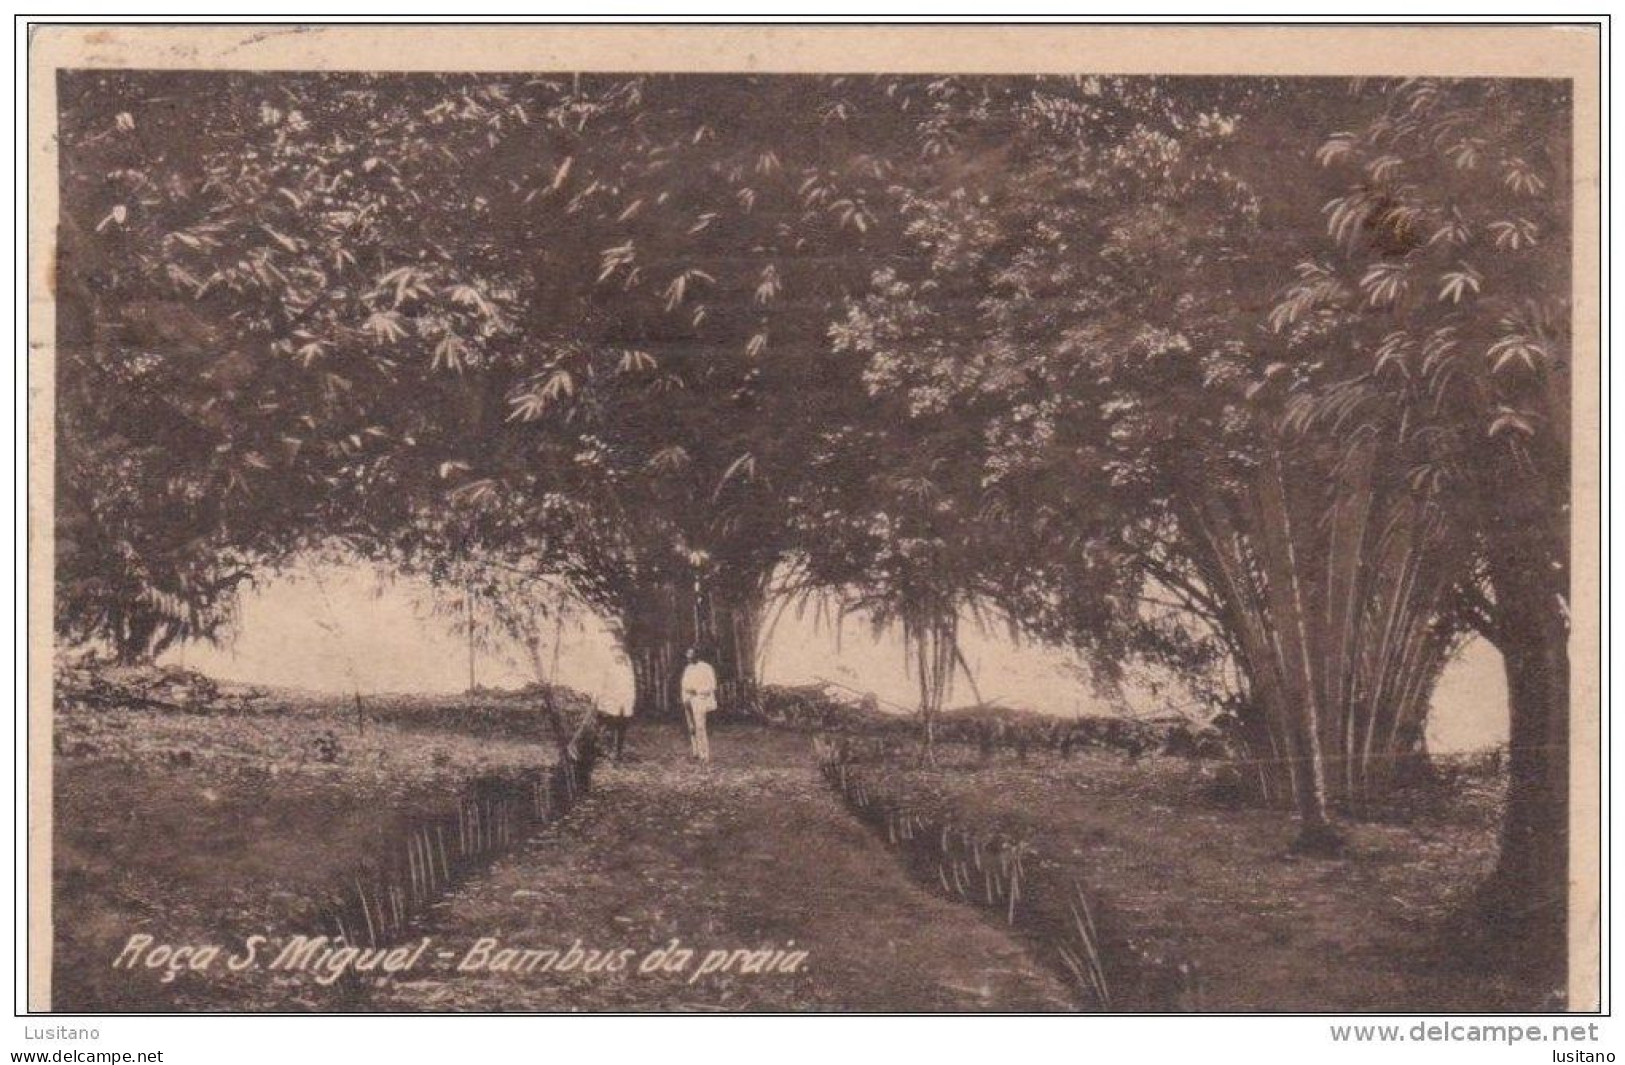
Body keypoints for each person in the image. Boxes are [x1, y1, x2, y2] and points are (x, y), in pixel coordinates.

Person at [679, 647, 718, 765]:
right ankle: (695, 752)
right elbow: (684, 685)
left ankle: (704, 755)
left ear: (697, 655)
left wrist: (698, 691)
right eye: (687, 654)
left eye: (691, 654)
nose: (688, 656)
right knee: (691, 728)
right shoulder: (688, 669)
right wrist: (685, 699)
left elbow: (712, 685)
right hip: (688, 700)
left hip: (700, 699)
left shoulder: (706, 668)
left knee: (700, 727)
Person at [596, 650, 636, 762]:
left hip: (625, 705)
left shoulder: (628, 671)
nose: (620, 658)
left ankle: (618, 752)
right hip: (611, 705)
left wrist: (631, 702)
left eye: (621, 656)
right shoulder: (609, 670)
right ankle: (608, 751)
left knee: (622, 729)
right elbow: (603, 687)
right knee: (610, 728)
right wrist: (602, 703)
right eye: (617, 657)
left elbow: (632, 688)